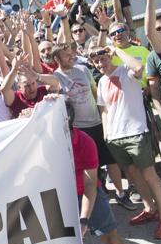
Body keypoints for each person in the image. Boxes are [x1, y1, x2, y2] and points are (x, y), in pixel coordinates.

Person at [53, 97, 152, 244]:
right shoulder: (44, 142)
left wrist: (83, 219)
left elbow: (90, 185)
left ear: (69, 119)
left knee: (113, 242)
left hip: (89, 195)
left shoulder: (85, 142)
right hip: (60, 198)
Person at [91, 45, 161, 239]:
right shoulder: (101, 81)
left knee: (150, 175)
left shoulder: (124, 71)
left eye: (103, 58)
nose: (100, 63)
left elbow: (138, 68)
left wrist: (115, 50)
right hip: (115, 137)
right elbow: (104, 109)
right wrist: (106, 133)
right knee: (133, 175)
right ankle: (149, 208)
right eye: (96, 60)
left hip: (135, 132)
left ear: (109, 56)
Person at [52, 45, 134, 210]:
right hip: (79, 128)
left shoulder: (83, 69)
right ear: (57, 59)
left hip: (97, 122)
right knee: (89, 166)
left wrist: (104, 116)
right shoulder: (56, 76)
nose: (71, 57)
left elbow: (95, 91)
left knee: (111, 160)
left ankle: (120, 194)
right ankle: (95, 200)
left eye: (70, 53)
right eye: (66, 55)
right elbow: (47, 83)